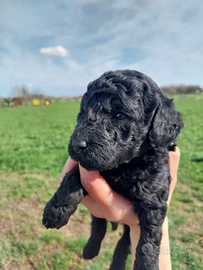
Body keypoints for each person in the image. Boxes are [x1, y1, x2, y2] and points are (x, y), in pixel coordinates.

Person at [59, 147, 180, 270]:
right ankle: (96, 239)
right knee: (98, 218)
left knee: (127, 234)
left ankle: (119, 256)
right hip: (112, 177)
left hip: (138, 190)